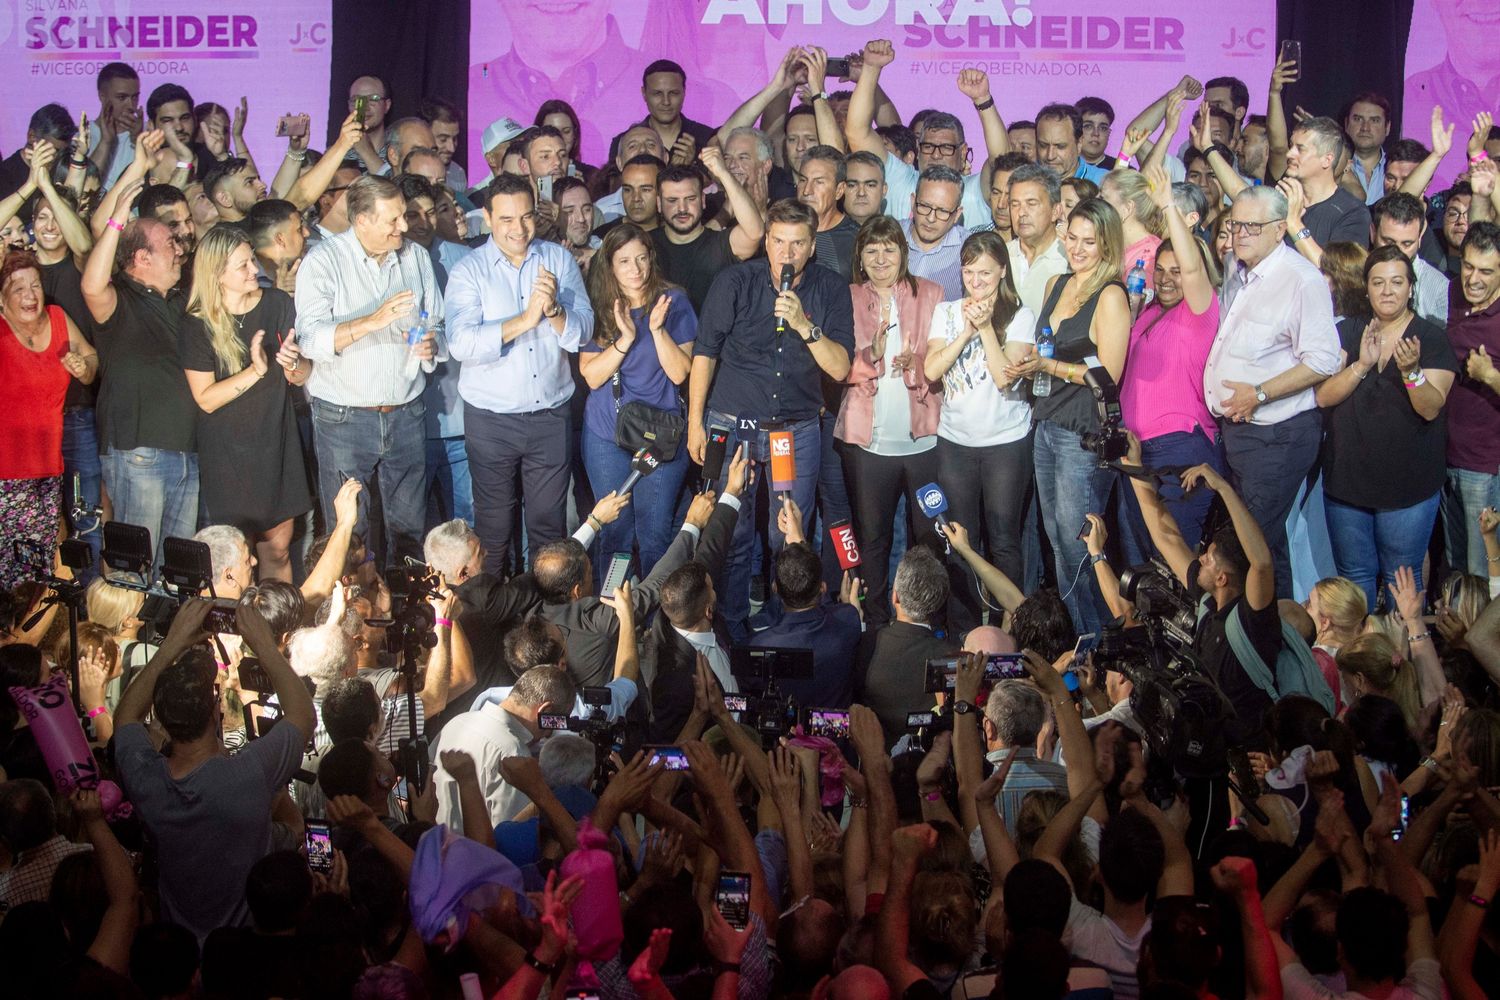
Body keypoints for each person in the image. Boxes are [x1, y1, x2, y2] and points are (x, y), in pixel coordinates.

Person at [687, 198, 854, 640]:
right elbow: (704, 353)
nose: (787, 253)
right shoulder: (735, 281)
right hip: (735, 423)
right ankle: (734, 629)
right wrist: (694, 422)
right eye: (778, 241)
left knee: (789, 531)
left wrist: (804, 324)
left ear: (813, 245)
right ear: (766, 240)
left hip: (792, 431)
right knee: (735, 531)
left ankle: (788, 626)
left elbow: (840, 368)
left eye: (797, 243)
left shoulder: (831, 288)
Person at [113, 598, 315, 943]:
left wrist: (172, 644)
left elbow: (125, 719)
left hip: (180, 949)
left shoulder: (146, 780)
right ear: (214, 713)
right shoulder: (248, 775)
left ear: (161, 718)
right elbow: (302, 715)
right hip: (242, 946)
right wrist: (264, 644)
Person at [295, 174, 445, 568]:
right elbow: (309, 340)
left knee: (410, 532)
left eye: (404, 216)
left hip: (407, 413)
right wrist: (371, 321)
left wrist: (432, 344)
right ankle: (352, 620)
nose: (404, 226)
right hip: (344, 419)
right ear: (361, 221)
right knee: (350, 533)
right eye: (393, 220)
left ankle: (408, 621)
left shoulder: (415, 257)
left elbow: (438, 323)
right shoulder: (323, 261)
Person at [446, 173, 592, 577]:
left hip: (550, 416)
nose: (519, 228)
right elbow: (461, 343)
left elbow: (583, 330)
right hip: (490, 420)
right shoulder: (469, 270)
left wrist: (555, 313)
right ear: (488, 219)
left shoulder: (557, 259)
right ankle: (493, 624)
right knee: (493, 530)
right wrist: (525, 320)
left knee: (548, 529)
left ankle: (541, 622)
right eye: (507, 219)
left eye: (526, 217)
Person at [1205, 186, 1342, 597]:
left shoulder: (1302, 280)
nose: (1239, 233)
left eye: (1252, 225)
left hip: (1277, 435)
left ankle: (1250, 643)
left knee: (1249, 547)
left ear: (1280, 229)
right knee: (1268, 546)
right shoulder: (1237, 266)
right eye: (1235, 223)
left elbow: (1323, 359)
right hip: (1239, 432)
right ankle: (1278, 642)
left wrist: (1260, 393)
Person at [1315, 244, 1457, 610]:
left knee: (1402, 580)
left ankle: (1405, 663)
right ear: (1366, 287)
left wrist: (1411, 372)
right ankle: (1361, 663)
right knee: (1355, 577)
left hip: (1408, 486)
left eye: (1397, 282)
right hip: (1348, 482)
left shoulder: (1431, 338)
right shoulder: (1349, 330)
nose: (1387, 290)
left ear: (1411, 287)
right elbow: (1324, 396)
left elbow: (1430, 408)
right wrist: (1362, 365)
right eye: (1378, 282)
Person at [1014, 198, 1131, 636]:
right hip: (1046, 423)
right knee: (1056, 541)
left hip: (1082, 433)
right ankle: (1083, 639)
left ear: (1107, 244)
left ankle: (1100, 640)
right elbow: (1046, 346)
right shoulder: (1056, 283)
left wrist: (1051, 368)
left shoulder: (1111, 295)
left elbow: (1110, 375)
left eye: (1090, 241)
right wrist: (1027, 362)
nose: (1079, 248)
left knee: (1078, 543)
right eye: (1073, 238)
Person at [180, 227, 312, 583]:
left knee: (279, 549)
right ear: (217, 275)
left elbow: (300, 375)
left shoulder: (277, 304)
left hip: (276, 441)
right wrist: (255, 372)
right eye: (243, 265)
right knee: (236, 558)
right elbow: (205, 399)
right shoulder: (198, 324)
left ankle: (275, 628)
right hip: (228, 454)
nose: (255, 269)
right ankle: (239, 633)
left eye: (252, 259)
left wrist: (294, 364)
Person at [81, 174, 199, 571]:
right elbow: (92, 285)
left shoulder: (183, 299)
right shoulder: (121, 299)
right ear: (142, 258)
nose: (180, 250)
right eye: (170, 245)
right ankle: (127, 633)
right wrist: (116, 221)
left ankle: (165, 635)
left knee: (175, 569)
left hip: (188, 451)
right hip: (140, 453)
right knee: (135, 567)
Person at [835, 216, 945, 629]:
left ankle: (929, 619)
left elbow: (942, 362)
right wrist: (871, 355)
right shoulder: (844, 297)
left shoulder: (932, 293)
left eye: (890, 248)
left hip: (924, 441)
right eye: (871, 250)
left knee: (930, 538)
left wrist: (915, 363)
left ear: (904, 252)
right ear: (860, 257)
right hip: (869, 443)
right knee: (874, 540)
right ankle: (877, 623)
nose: (881, 258)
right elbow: (835, 367)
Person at [923, 231, 1036, 632]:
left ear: (1002, 271)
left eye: (985, 273)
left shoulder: (1020, 315)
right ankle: (965, 633)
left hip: (1005, 444)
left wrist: (987, 328)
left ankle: (1012, 629)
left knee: (1004, 539)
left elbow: (1006, 378)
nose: (976, 282)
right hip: (956, 442)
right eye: (969, 273)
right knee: (959, 541)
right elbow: (931, 370)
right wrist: (967, 331)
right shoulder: (947, 312)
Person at [1129, 456, 1278, 750]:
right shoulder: (1209, 603)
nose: (1200, 560)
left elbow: (1261, 563)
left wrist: (1223, 488)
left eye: (1208, 560)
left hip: (1249, 755)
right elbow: (1167, 538)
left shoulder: (1252, 622)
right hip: (1208, 746)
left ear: (1223, 578)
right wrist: (1133, 467)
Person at [1119, 165, 1225, 562]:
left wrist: (1167, 207)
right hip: (1137, 451)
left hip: (1180, 449)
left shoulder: (1199, 311)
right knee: (1141, 562)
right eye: (1159, 270)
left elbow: (1194, 266)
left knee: (1174, 561)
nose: (1166, 279)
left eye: (1176, 271)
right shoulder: (1147, 311)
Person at [579, 223, 695, 582]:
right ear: (610, 266)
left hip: (660, 435)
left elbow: (680, 373)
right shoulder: (599, 306)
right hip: (606, 433)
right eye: (625, 261)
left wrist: (657, 330)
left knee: (654, 533)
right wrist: (625, 338)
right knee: (615, 532)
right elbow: (593, 376)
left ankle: (656, 617)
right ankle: (613, 613)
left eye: (642, 259)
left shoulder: (674, 301)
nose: (636, 269)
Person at [0, 251, 96, 589]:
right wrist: (28, 192)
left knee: (36, 575)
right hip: (4, 478)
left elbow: (89, 355)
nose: (29, 295)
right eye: (17, 288)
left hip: (46, 473)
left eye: (35, 285)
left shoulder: (57, 318)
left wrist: (86, 368)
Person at [844, 41, 1009, 227]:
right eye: (928, 147)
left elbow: (1003, 159)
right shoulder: (900, 179)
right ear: (918, 149)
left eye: (946, 148)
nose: (936, 155)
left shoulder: (974, 190)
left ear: (962, 153)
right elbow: (857, 132)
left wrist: (983, 99)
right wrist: (871, 68)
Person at [429, 665, 576, 830]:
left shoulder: (456, 722)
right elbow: (509, 837)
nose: (549, 735)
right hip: (476, 854)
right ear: (545, 711)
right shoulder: (514, 755)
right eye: (554, 724)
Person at [1442, 222, 1500, 578]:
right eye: (1468, 266)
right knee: (1456, 570)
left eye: (1487, 271)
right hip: (1442, 459)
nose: (1473, 278)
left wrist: (1490, 376)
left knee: (1483, 572)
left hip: (1485, 466)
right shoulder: (1449, 295)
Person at [857, 546, 955, 741]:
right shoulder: (951, 658)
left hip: (872, 760)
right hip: (931, 759)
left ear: (895, 596)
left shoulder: (864, 644)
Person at [651, 148, 764, 313]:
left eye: (690, 199)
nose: (682, 208)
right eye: (672, 200)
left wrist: (724, 174)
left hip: (715, 338)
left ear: (703, 200)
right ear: (659, 204)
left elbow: (755, 232)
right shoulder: (646, 244)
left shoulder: (719, 244)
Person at [1281, 117, 1373, 268]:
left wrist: (1294, 224)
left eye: (1300, 149)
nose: (1289, 154)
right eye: (1291, 146)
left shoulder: (1352, 212)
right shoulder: (1280, 198)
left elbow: (1336, 274)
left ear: (1327, 160)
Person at [607, 59, 718, 168]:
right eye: (657, 93)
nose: (666, 102)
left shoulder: (706, 138)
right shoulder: (624, 142)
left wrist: (693, 168)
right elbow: (615, 185)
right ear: (644, 93)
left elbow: (718, 184)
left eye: (673, 93)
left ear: (684, 92)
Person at [1371, 192, 1450, 325]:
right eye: (1389, 242)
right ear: (1372, 232)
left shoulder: (1439, 288)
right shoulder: (1354, 276)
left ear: (1420, 237)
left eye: (1407, 244)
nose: (1397, 252)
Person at [1005, 164, 1070, 317]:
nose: (1021, 212)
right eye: (1015, 204)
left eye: (1031, 203)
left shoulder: (1069, 259)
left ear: (1056, 211)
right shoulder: (1000, 255)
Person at [902, 165, 968, 299]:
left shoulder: (969, 248)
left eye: (943, 211)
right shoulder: (890, 235)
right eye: (925, 206)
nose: (931, 218)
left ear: (957, 214)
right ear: (913, 202)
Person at [799, 146, 859, 280]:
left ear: (839, 190)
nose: (807, 191)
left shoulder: (856, 239)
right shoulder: (782, 230)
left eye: (819, 182)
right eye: (803, 180)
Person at [1099, 170, 1164, 289]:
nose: (1097, 206)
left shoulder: (1150, 258)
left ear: (1127, 208)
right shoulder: (1111, 243)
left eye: (1103, 199)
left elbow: (1134, 306)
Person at [593, 153, 663, 239]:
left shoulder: (677, 237)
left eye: (645, 190)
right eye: (628, 190)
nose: (636, 198)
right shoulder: (602, 237)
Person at [1035, 103, 1108, 185]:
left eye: (1060, 146)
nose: (1050, 156)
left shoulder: (1103, 182)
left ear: (1079, 143)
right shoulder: (1023, 180)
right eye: (1043, 145)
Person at [1344, 92, 1393, 204]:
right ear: (1346, 124)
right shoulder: (1331, 166)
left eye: (1374, 120)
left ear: (1387, 127)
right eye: (1358, 119)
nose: (1365, 128)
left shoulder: (1397, 169)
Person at [843, 150, 888, 226]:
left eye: (870, 185)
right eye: (852, 185)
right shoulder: (819, 235)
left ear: (884, 189)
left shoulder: (900, 235)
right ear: (840, 189)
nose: (861, 193)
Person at [1077, 96, 1117, 170]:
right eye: (1088, 126)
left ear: (1109, 133)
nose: (1096, 133)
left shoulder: (1122, 170)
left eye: (1103, 128)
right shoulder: (1062, 168)